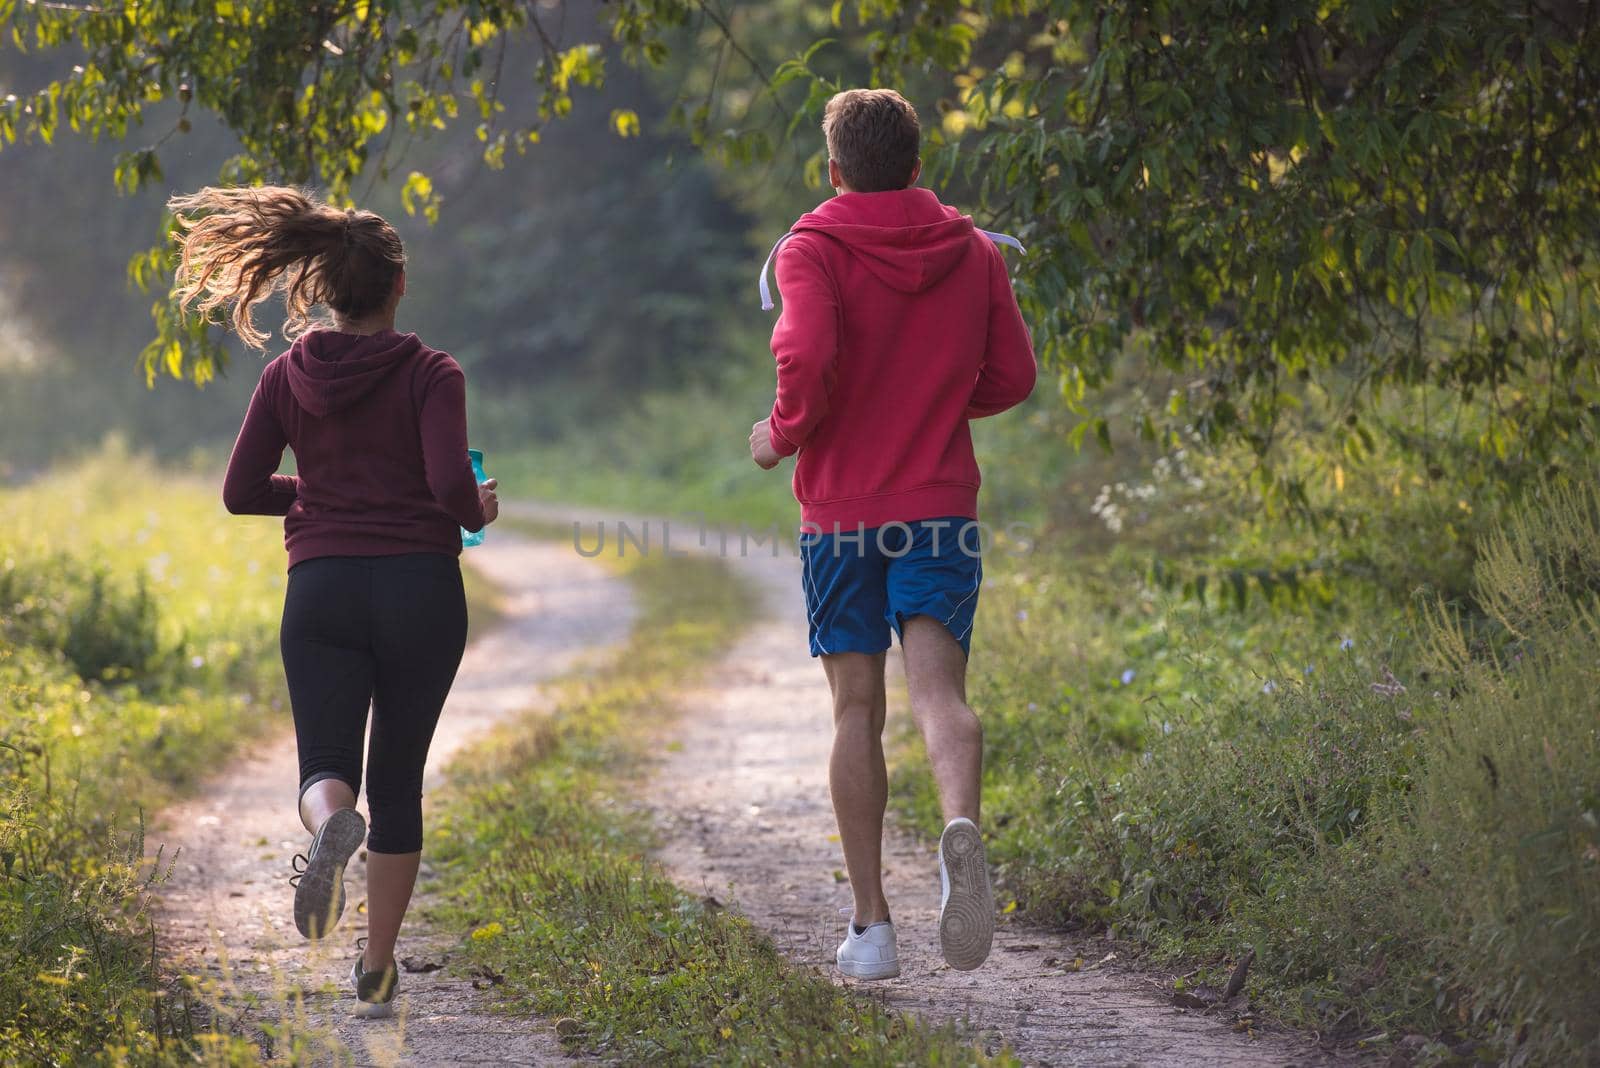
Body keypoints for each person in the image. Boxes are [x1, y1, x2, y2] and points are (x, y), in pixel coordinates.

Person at [169, 185, 499, 1018]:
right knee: (399, 784)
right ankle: (378, 968)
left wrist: (317, 497)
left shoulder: (286, 374)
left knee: (325, 765)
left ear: (316, 290)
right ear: (397, 287)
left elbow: (241, 491)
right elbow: (448, 485)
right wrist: (475, 510)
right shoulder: (432, 373)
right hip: (421, 589)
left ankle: (327, 828)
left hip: (319, 589)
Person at [749, 89, 1036, 979]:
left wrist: (783, 432)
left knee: (856, 708)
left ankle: (872, 928)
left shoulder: (811, 249)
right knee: (939, 693)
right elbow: (1015, 375)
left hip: (841, 515)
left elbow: (806, 357)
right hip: (940, 509)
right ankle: (960, 827)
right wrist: (942, 405)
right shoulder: (972, 251)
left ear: (835, 171)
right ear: (917, 167)